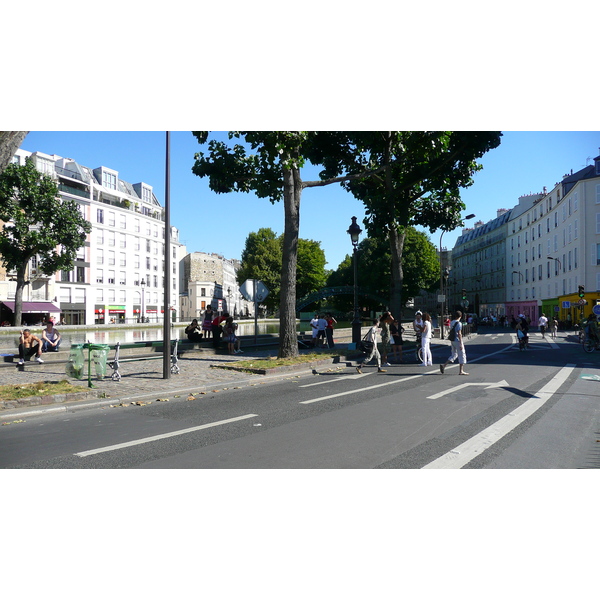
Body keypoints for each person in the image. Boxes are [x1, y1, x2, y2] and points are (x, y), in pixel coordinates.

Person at [439, 310, 468, 375]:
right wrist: (461, 343)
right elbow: (459, 334)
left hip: (452, 340)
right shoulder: (459, 323)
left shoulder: (452, 322)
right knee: (462, 354)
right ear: (460, 316)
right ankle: (461, 371)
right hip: (457, 340)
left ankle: (444, 365)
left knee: (454, 354)